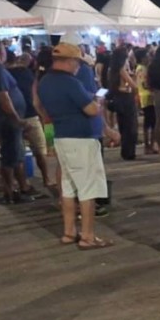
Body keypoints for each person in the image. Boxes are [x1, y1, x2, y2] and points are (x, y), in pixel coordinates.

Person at [39, 42, 111, 249]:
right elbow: (90, 110)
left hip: (62, 137)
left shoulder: (45, 81)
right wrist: (97, 102)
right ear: (70, 61)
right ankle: (88, 236)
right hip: (81, 140)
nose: (78, 66)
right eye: (78, 62)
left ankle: (69, 232)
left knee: (68, 187)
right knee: (88, 189)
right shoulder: (70, 83)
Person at [0, 37, 33, 205]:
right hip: (6, 120)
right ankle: (10, 192)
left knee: (14, 154)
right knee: (10, 156)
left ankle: (17, 188)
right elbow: (3, 96)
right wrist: (16, 118)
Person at [8, 51, 55, 193]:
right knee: (40, 149)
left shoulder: (4, 74)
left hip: (13, 116)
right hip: (30, 114)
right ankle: (47, 178)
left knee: (19, 152)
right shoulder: (28, 74)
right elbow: (35, 95)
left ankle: (22, 183)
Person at [102, 46, 138, 162]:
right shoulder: (122, 69)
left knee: (123, 125)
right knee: (130, 126)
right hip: (126, 98)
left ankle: (126, 151)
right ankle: (129, 152)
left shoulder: (112, 70)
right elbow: (133, 85)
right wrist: (134, 77)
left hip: (118, 98)